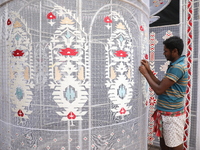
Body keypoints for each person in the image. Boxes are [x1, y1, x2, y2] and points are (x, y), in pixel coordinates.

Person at [139, 36, 188, 150]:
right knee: (164, 144)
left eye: (166, 51)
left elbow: (159, 90)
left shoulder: (178, 67)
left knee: (175, 145)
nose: (164, 53)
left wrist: (145, 74)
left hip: (172, 116)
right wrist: (149, 71)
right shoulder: (174, 66)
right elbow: (161, 85)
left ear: (174, 51)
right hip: (166, 113)